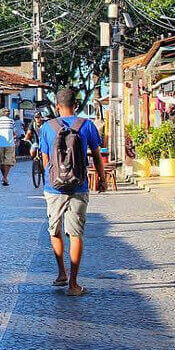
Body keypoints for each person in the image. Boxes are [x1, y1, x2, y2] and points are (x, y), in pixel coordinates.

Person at [38, 87, 106, 297]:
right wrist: (102, 179)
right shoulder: (87, 125)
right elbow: (96, 155)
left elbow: (46, 160)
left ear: (57, 106)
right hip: (79, 186)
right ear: (76, 105)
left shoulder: (48, 127)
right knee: (75, 234)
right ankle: (74, 284)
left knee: (54, 230)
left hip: (54, 188)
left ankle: (61, 273)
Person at [0, 108, 18, 186]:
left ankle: (5, 177)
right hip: (10, 144)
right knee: (8, 162)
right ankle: (5, 177)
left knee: (2, 162)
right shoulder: (11, 121)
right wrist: (16, 140)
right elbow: (15, 133)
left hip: (0, 145)